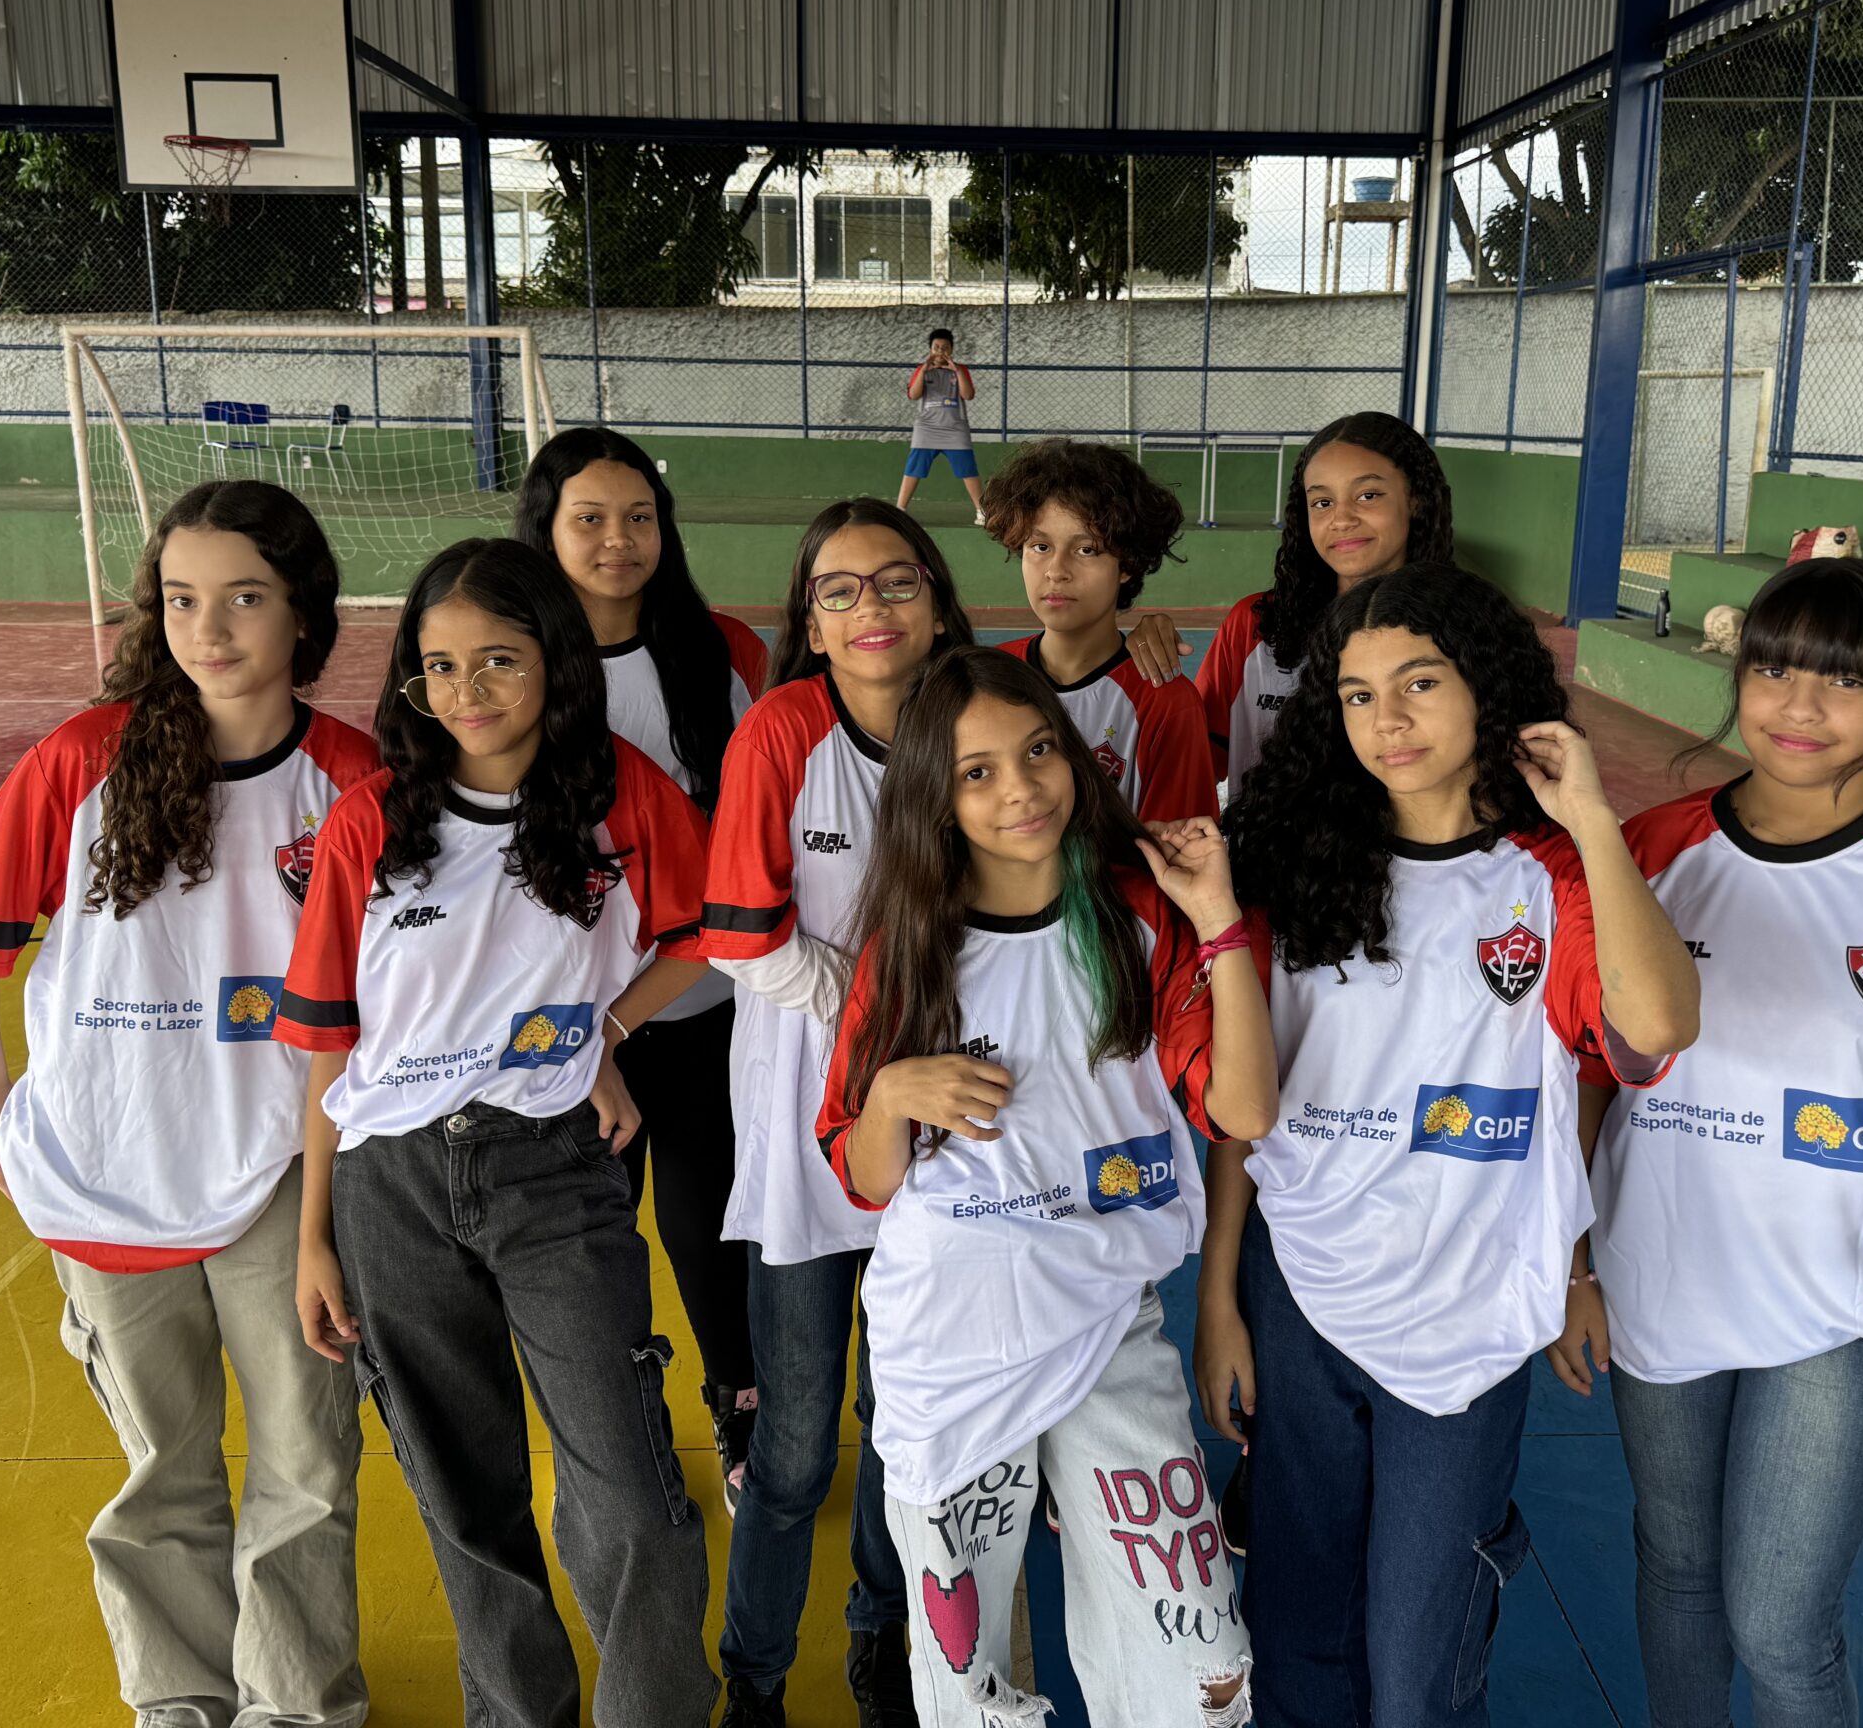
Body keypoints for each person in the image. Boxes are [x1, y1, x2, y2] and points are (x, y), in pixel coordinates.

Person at [1195, 562, 1701, 1728]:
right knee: (1297, 1625)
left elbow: (1659, 1021)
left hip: (1471, 1299)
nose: (1389, 719)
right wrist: (1219, 1294)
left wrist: (1590, 820)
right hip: (1300, 1286)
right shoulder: (1287, 862)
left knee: (1419, 1658)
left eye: (1419, 683)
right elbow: (1242, 1111)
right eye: (1358, 695)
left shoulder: (1552, 873)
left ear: (1484, 685)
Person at [0, 479, 376, 1728]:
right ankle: (177, 1692)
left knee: (306, 1461)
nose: (208, 629)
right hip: (102, 1167)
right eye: (181, 599)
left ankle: (293, 1701)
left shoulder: (350, 779)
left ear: (303, 613)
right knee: (161, 1462)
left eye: (244, 598)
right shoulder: (84, 757)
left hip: (278, 1173)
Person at [1570, 558, 1863, 1728]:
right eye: (1773, 670)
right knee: (1677, 1570)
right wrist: (1575, 1261)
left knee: (1780, 1624)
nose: (1798, 706)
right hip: (1658, 1278)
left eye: (1842, 681)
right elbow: (1584, 1072)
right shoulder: (1648, 855)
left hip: (1842, 1296)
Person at [275, 537, 716, 1728]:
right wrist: (314, 1236)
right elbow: (328, 1044)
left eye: (499, 660)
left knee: (628, 1493)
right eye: (439, 667)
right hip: (389, 1187)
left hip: (552, 1168)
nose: (468, 690)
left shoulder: (621, 796)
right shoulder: (371, 822)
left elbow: (706, 932)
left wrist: (606, 1031)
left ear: (554, 660)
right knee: (466, 1501)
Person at [818, 646, 1277, 1728]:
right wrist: (891, 1096)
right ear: (934, 797)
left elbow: (1245, 1111)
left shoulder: (1138, 916)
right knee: (967, 1681)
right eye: (976, 772)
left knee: (1203, 1662)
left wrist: (1220, 922)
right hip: (951, 1340)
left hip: (1109, 1324)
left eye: (1036, 752)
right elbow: (865, 1178)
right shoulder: (910, 947)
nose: (1019, 788)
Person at [700, 499, 976, 1728]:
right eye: (841, 589)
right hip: (805, 1130)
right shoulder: (781, 731)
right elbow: (743, 938)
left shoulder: (978, 722)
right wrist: (878, 1022)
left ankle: (880, 1638)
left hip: (945, 1126)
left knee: (899, 1421)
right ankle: (754, 1678)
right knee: (797, 1443)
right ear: (810, 624)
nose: (873, 606)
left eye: (897, 581)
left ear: (939, 604)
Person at [516, 425, 771, 1510]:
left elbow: (758, 824)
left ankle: (737, 1395)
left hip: (707, 1002)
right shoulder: (517, 661)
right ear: (546, 531)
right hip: (571, 1026)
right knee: (591, 1247)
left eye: (639, 517)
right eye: (590, 519)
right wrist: (591, 1036)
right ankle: (625, 1430)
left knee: (712, 1226)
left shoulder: (723, 652)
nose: (617, 540)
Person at [1126, 412, 1455, 804]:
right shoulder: (1255, 625)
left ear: (1415, 498)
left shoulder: (1461, 628)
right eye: (1322, 502)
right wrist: (1136, 666)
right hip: (1265, 842)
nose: (1341, 519)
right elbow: (1191, 760)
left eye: (1368, 495)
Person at [983, 435, 1216, 822]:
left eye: (1086, 549)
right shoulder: (988, 677)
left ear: (1127, 565)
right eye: (1040, 547)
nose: (1056, 570)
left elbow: (1179, 849)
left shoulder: (1166, 702)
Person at [898, 328, 985, 522]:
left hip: (955, 429)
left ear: (951, 350)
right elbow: (913, 395)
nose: (940, 351)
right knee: (913, 468)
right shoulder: (922, 369)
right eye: (936, 347)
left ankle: (981, 511)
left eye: (945, 347)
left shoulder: (960, 369)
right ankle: (900, 510)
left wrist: (957, 371)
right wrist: (924, 370)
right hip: (927, 429)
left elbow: (968, 395)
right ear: (930, 349)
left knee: (968, 469)